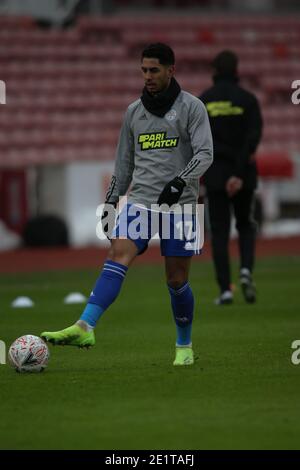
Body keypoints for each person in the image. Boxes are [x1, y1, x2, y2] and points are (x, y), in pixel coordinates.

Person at [41, 43, 213, 365]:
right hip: (141, 202)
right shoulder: (134, 112)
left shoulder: (193, 107)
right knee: (118, 253)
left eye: (154, 70)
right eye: (144, 70)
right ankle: (85, 325)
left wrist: (179, 182)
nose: (147, 76)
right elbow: (123, 165)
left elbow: (205, 154)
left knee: (177, 280)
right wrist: (110, 203)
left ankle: (184, 346)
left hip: (183, 206)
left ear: (170, 70)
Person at [199, 50, 263, 305]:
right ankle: (246, 270)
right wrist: (237, 174)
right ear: (236, 69)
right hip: (243, 173)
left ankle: (226, 289)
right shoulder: (248, 99)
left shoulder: (204, 101)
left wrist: (222, 173)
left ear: (214, 69)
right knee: (246, 225)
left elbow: (200, 141)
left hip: (215, 175)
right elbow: (253, 138)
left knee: (220, 232)